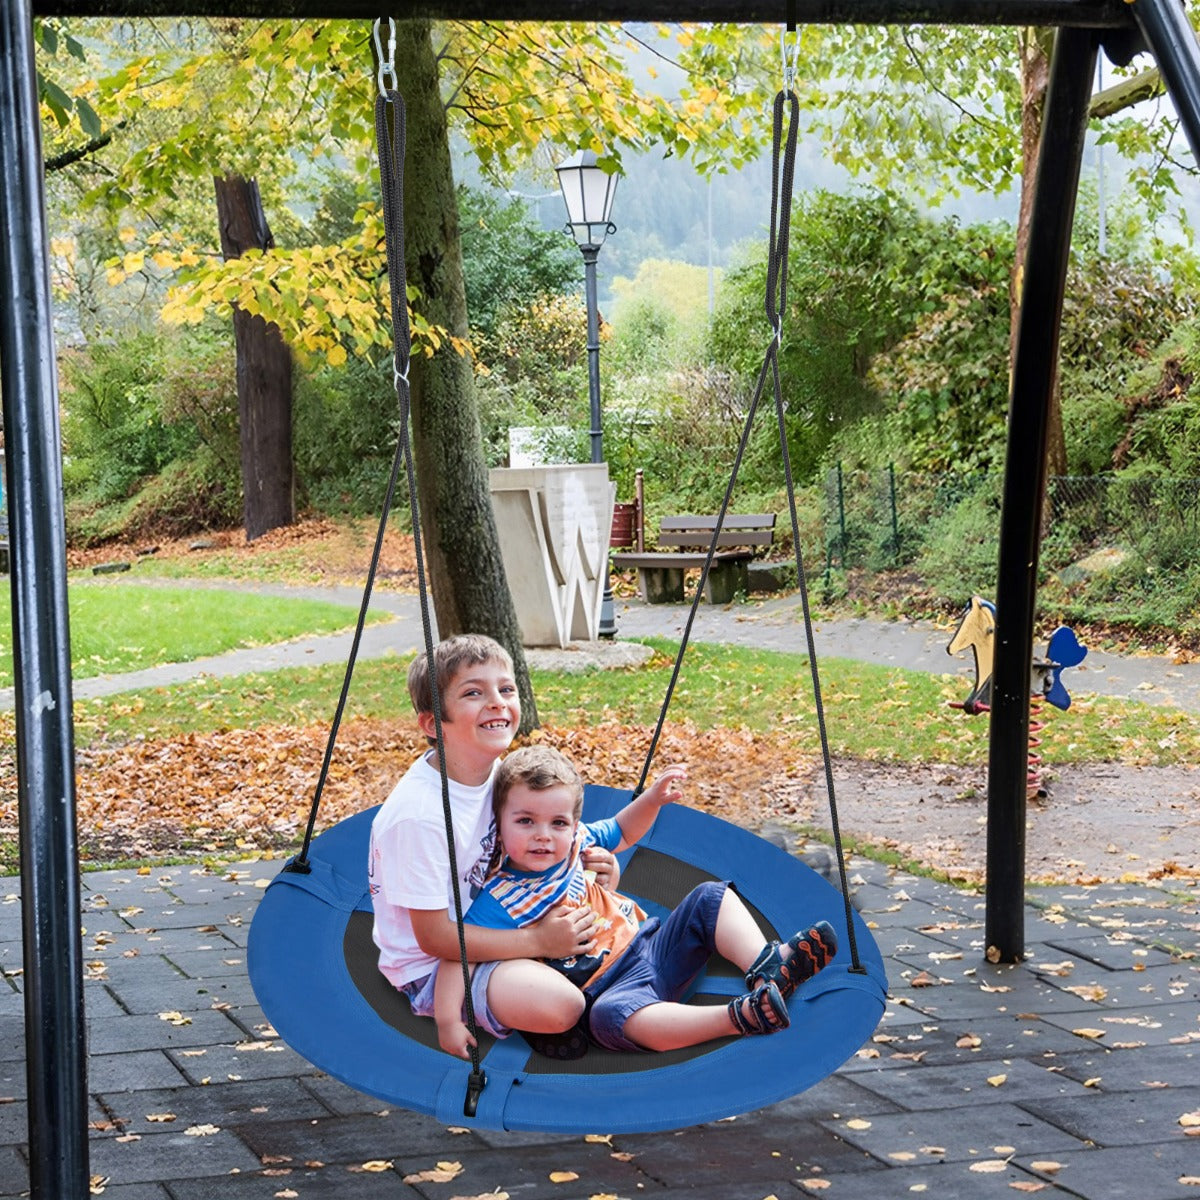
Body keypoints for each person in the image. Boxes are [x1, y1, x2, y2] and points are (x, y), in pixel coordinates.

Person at [434, 744, 837, 1059]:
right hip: (610, 990)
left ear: (573, 825)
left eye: (557, 823)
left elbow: (623, 830)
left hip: (655, 945)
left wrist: (652, 800)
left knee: (709, 896)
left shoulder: (577, 843)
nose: (543, 835)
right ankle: (739, 1016)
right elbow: (460, 954)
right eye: (525, 821)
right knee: (611, 1019)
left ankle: (768, 965)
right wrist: (448, 1021)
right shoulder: (501, 896)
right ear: (498, 825)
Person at [368, 634, 618, 1044]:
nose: (497, 703)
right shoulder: (420, 817)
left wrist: (589, 864)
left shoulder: (496, 772)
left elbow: (543, 839)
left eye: (506, 689)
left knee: (622, 936)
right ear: (433, 724)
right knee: (562, 1005)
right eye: (474, 693)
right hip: (437, 967)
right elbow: (436, 938)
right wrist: (537, 941)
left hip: (503, 917)